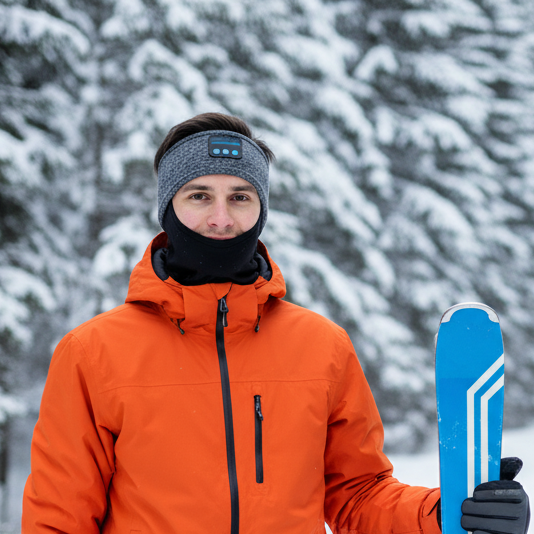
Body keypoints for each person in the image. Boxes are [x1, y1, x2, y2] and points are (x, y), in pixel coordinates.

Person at [22, 113, 530, 534]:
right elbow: (58, 518)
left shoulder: (322, 346)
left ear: (261, 209)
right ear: (167, 207)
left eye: (240, 196)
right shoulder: (92, 353)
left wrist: (443, 514)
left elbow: (356, 495)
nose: (221, 218)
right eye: (199, 195)